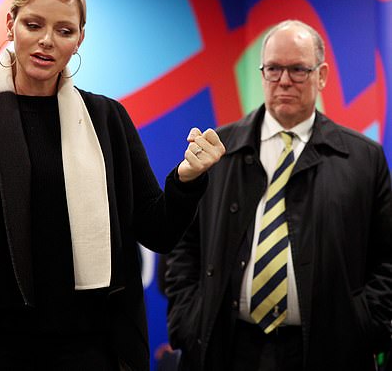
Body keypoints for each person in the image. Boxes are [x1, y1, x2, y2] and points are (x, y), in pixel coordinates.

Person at [0, 0, 225, 370]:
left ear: (80, 38)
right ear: (11, 24)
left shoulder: (106, 118)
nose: (46, 41)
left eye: (64, 30)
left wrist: (187, 179)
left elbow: (157, 230)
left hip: (88, 348)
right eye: (33, 25)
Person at [165, 19, 392, 371]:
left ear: (322, 75)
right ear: (262, 73)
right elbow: (183, 245)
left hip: (328, 350)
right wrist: (187, 320)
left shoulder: (364, 158)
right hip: (228, 347)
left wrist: (366, 326)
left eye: (298, 69)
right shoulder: (219, 150)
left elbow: (386, 257)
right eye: (273, 69)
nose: (284, 80)